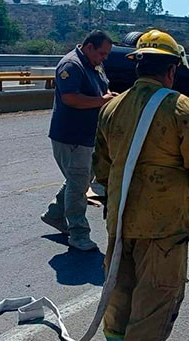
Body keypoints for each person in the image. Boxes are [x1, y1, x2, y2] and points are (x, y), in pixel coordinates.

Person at [93, 30, 189, 341]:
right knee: (158, 285)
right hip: (164, 218)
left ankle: (116, 337)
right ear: (171, 70)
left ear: (138, 66)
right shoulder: (180, 107)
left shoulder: (112, 107)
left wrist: (112, 199)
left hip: (120, 213)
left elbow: (101, 165)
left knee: (120, 274)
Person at [42, 30, 116, 251]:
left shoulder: (94, 65)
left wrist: (109, 98)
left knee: (80, 180)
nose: (104, 58)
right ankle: (78, 233)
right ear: (89, 47)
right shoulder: (72, 66)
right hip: (71, 136)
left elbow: (103, 88)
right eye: (101, 53)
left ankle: (55, 213)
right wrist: (102, 101)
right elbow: (70, 98)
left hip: (87, 136)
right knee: (78, 184)